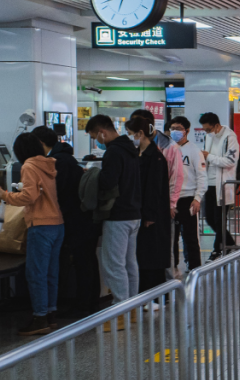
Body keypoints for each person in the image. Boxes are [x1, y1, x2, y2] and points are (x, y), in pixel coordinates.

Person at [0, 132, 64, 336]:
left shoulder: (29, 166)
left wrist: (4, 195)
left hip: (40, 225)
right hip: (57, 223)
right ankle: (50, 315)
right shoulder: (49, 164)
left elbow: (29, 196)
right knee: (51, 272)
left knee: (36, 273)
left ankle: (39, 318)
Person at [32, 126, 99, 317]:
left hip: (75, 220)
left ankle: (83, 305)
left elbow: (57, 193)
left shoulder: (57, 163)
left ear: (40, 143)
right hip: (85, 219)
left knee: (82, 263)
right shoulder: (67, 159)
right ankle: (90, 302)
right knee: (88, 262)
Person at [85, 114, 142, 304]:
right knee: (129, 263)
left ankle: (120, 308)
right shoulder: (132, 149)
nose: (96, 141)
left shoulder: (114, 152)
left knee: (114, 265)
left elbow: (109, 182)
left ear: (102, 132)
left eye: (95, 137)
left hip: (117, 215)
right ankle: (132, 306)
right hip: (134, 213)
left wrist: (93, 175)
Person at [125, 118, 171, 293]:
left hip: (153, 215)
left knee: (153, 255)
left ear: (140, 133)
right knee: (143, 255)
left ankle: (155, 294)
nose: (129, 137)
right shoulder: (138, 154)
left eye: (130, 133)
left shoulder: (156, 157)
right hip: (141, 212)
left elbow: (154, 188)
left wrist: (150, 215)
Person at [199, 112, 239, 261]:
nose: (207, 132)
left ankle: (218, 250)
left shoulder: (230, 137)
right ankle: (230, 244)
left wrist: (208, 156)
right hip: (209, 183)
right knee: (209, 218)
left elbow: (230, 161)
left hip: (223, 184)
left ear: (216, 125)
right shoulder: (209, 137)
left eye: (208, 129)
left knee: (219, 220)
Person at [170, 116, 207, 272]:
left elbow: (201, 176)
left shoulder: (193, 150)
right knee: (171, 237)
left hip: (188, 199)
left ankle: (194, 269)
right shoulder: (168, 149)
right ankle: (172, 267)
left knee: (190, 237)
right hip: (171, 200)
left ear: (187, 131)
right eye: (172, 128)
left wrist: (197, 198)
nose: (175, 132)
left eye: (178, 128)